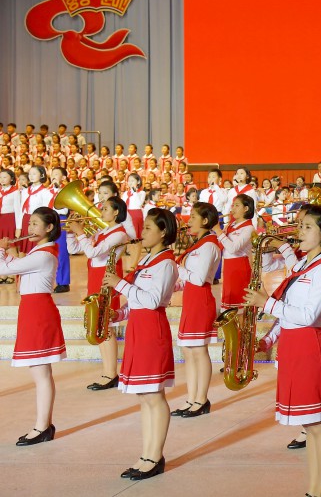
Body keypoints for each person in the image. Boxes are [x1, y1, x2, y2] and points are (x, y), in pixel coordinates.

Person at [251, 205, 321, 497]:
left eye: (308, 227)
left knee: (317, 423)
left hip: (309, 347)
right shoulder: (302, 266)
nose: (300, 231)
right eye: (300, 226)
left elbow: (309, 315)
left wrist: (266, 303)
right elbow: (287, 315)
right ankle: (314, 489)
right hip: (291, 346)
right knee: (309, 424)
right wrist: (266, 341)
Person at [106, 208, 179, 480]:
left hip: (152, 332)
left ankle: (155, 455)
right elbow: (138, 301)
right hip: (138, 328)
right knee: (144, 396)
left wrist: (120, 285)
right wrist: (118, 314)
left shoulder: (166, 263)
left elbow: (152, 300)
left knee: (154, 395)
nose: (143, 232)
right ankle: (147, 453)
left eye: (148, 228)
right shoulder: (149, 259)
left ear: (163, 232)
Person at [0, 207, 66, 446]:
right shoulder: (39, 251)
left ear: (50, 228)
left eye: (36, 224)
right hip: (32, 309)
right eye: (30, 224)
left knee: (41, 373)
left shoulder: (44, 254)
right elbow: (15, 264)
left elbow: (4, 268)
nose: (30, 229)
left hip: (38, 312)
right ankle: (44, 425)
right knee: (40, 372)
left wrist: (1, 248)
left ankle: (42, 427)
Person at [65, 195, 131, 390]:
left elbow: (94, 253)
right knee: (99, 326)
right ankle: (107, 372)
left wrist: (80, 233)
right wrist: (72, 232)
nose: (101, 212)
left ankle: (111, 373)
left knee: (105, 324)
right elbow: (75, 248)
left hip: (106, 279)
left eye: (105, 208)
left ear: (116, 212)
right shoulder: (103, 230)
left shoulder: (119, 233)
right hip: (95, 277)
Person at [172, 202, 222, 419]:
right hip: (191, 300)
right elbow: (189, 278)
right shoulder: (199, 244)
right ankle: (191, 398)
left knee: (199, 352)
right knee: (189, 352)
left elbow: (200, 278)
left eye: (193, 217)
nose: (188, 221)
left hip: (201, 302)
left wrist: (176, 268)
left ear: (205, 221)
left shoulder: (209, 245)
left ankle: (201, 399)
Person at [213, 193, 255, 309]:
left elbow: (233, 249)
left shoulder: (248, 228)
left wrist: (218, 231)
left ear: (246, 209)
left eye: (237, 205)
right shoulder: (231, 225)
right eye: (232, 205)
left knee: (238, 307)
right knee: (228, 304)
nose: (233, 209)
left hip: (240, 268)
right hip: (229, 267)